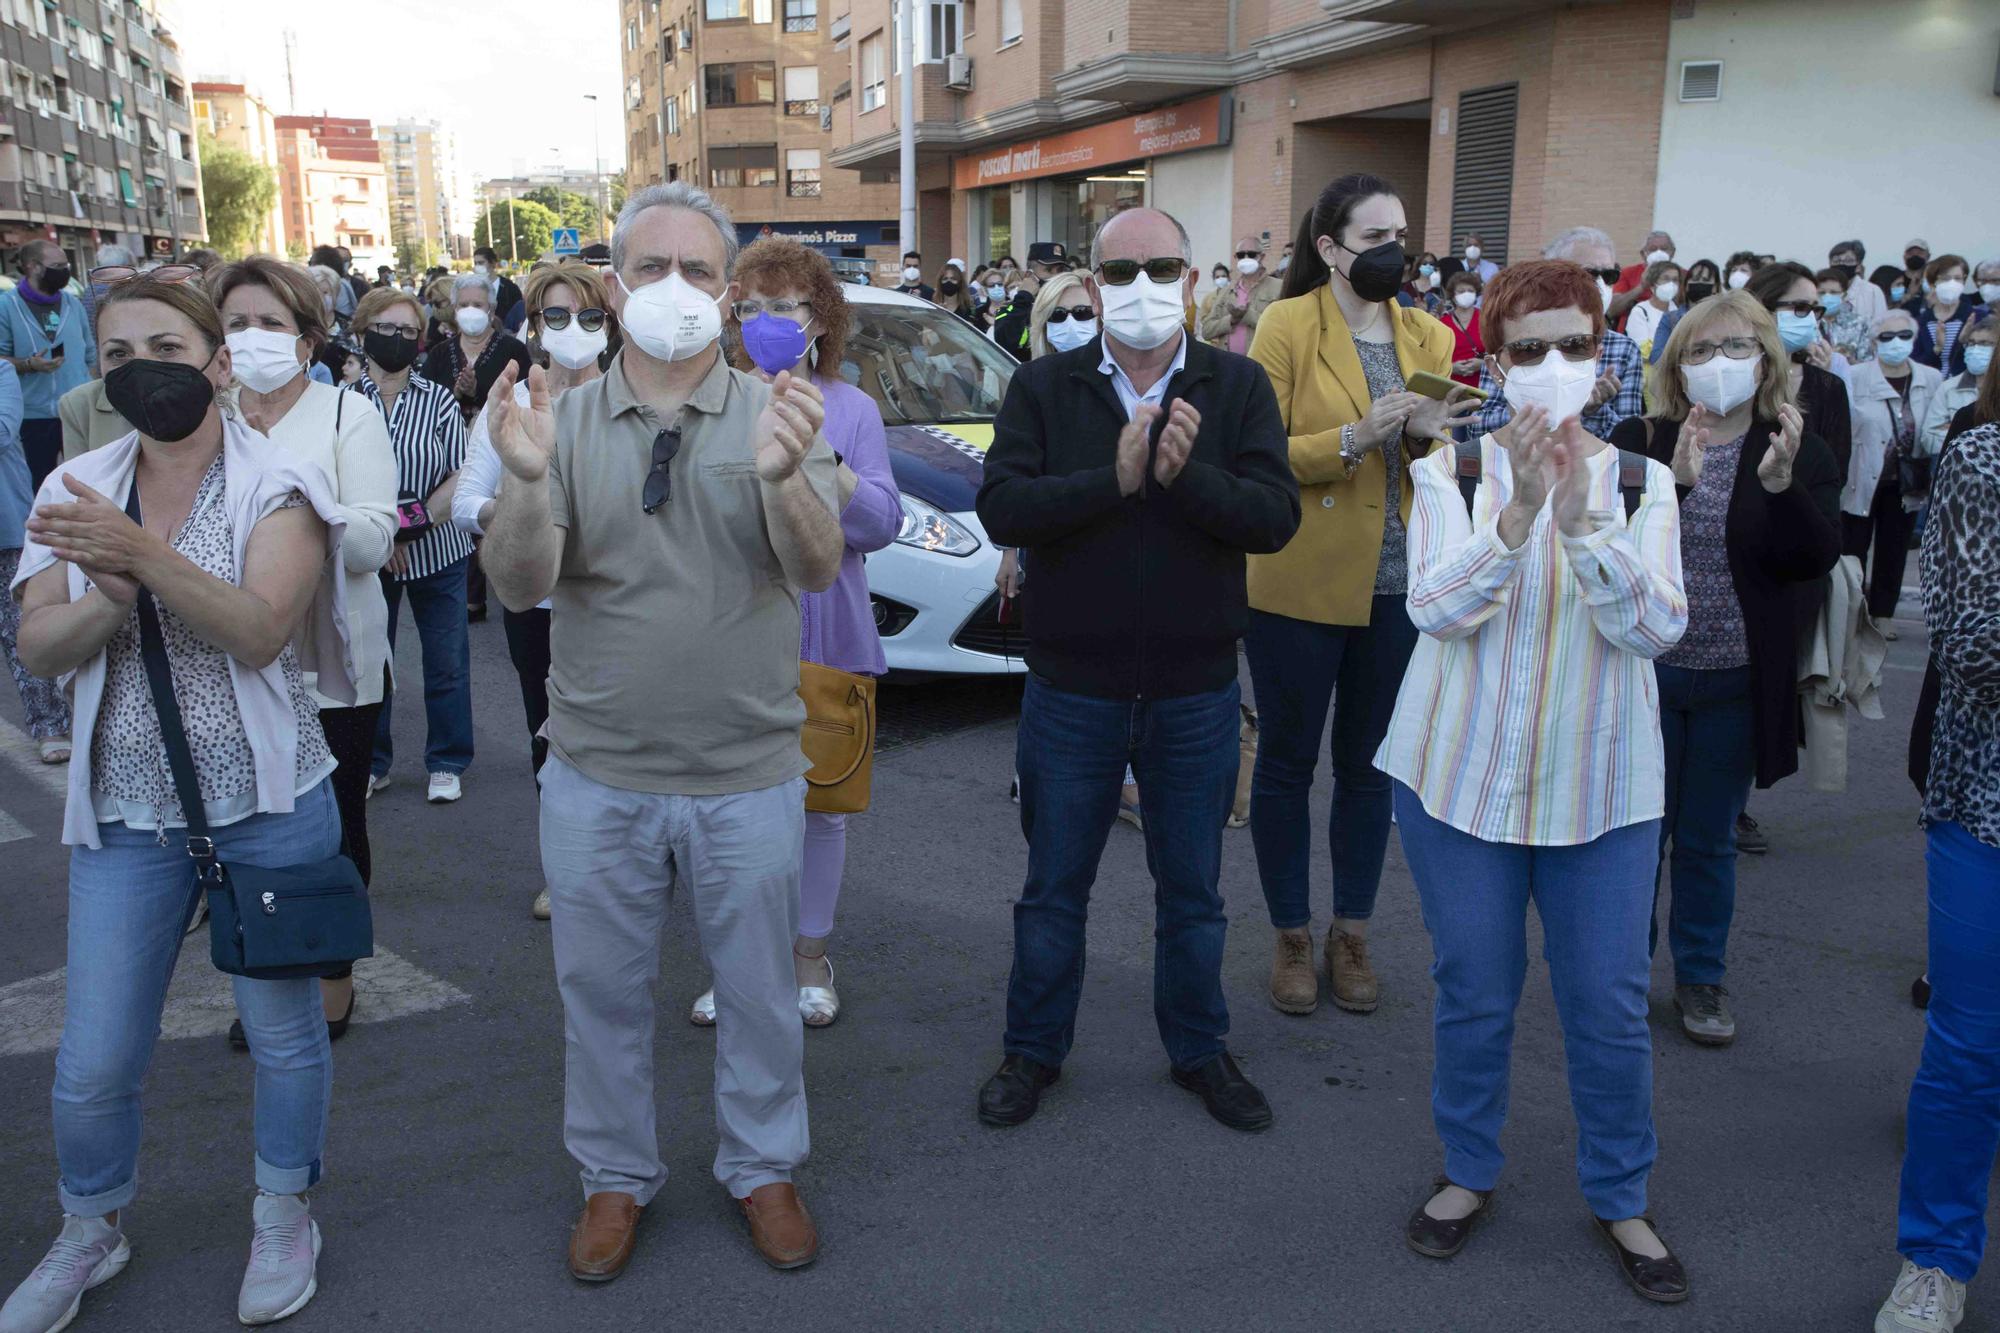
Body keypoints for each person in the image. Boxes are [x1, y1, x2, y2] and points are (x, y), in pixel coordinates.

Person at [480, 181, 842, 1277]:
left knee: (758, 995)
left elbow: (817, 567)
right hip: (596, 773)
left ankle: (763, 1164)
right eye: (650, 268)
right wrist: (527, 481)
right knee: (599, 998)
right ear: (610, 285)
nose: (672, 288)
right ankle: (612, 1177)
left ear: (727, 293)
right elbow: (516, 582)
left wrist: (783, 482)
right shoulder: (564, 419)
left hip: (747, 770)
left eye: (696, 270)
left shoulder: (779, 407)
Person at [2, 274, 354, 1330]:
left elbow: (259, 631)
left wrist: (140, 559)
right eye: (115, 354)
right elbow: (35, 646)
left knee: (285, 1035)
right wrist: (108, 598)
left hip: (270, 799)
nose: (139, 368)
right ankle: (89, 1225)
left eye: (163, 343)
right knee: (94, 1056)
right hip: (125, 812)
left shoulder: (280, 483)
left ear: (212, 360)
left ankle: (286, 1206)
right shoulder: (74, 486)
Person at [1376, 257, 1690, 1301]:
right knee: (1473, 990)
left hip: (1600, 787)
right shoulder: (1448, 474)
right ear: (1493, 362)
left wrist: (1581, 522)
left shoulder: (1640, 483)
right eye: (1525, 348)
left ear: (1603, 358)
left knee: (1603, 1002)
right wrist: (1514, 518)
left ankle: (1620, 1193)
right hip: (1456, 780)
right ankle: (1467, 1170)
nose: (1549, 365)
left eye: (1570, 344)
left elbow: (1652, 627)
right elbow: (1431, 609)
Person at [972, 205, 1300, 1134]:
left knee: (1192, 891)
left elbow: (1274, 516)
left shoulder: (1234, 386)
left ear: (1192, 281)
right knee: (1052, 887)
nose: (1142, 287)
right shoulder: (1045, 386)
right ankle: (1032, 1049)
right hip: (1072, 685)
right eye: (1121, 272)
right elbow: (1003, 507)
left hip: (1194, 688)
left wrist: (1183, 473)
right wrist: (1112, 481)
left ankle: (1199, 1047)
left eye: (1161, 267)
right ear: (1092, 282)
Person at [1245, 173, 1479, 1019]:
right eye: (1375, 236)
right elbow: (1260, 448)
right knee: (1286, 763)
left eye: (1401, 233)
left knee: (1368, 769)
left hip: (1399, 585)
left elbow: (1439, 462)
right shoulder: (1286, 324)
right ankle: (1291, 935)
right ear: (1330, 248)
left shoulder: (1430, 332)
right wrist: (1356, 435)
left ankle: (1352, 929)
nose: (1395, 251)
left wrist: (1428, 437)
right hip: (1298, 580)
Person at [1609, 291, 1841, 1047]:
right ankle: (1621, 973)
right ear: (1676, 364)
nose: (1719, 364)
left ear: (1768, 358)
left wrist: (1781, 487)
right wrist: (1669, 485)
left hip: (1737, 677)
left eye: (1737, 347)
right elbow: (1607, 556)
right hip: (1646, 674)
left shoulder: (1795, 444)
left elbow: (1815, 558)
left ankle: (1700, 978)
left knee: (1706, 840)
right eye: (1702, 350)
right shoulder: (1642, 438)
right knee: (1636, 837)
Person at [681, 235, 901, 1028]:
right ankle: (737, 962)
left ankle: (811, 957)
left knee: (821, 810)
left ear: (820, 318)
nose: (769, 320)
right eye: (755, 306)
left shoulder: (853, 408)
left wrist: (825, 458)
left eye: (788, 305)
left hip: (828, 640)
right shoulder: (711, 400)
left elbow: (881, 524)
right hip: (730, 641)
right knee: (729, 813)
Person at [210, 256, 397, 1044]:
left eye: (271, 324)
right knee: (244, 827)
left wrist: (307, 511)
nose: (251, 339)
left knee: (331, 824)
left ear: (309, 339)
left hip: (331, 664)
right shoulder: (201, 416)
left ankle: (330, 969)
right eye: (235, 323)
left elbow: (375, 539)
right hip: (227, 658)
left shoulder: (344, 414)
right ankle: (262, 968)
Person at [1873, 386, 2000, 1333]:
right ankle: (1934, 1259)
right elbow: (1973, 650)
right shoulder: (1982, 460)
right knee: (1970, 1045)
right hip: (1988, 804)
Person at [452, 260, 617, 922]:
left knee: (632, 732)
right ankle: (565, 868)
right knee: (550, 739)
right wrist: (523, 515)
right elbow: (466, 501)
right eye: (555, 314)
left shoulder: (639, 403)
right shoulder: (511, 407)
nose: (572, 329)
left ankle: (636, 858)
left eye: (587, 315)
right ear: (533, 325)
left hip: (621, 603)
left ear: (608, 324)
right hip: (541, 608)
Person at [349, 286, 474, 805]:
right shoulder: (342, 403)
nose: (396, 339)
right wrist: (381, 535)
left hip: (437, 552)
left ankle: (446, 760)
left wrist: (409, 526)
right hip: (366, 558)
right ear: (362, 333)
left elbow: (460, 471)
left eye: (406, 331)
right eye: (385, 329)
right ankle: (372, 762)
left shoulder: (440, 399)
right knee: (371, 663)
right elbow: (334, 476)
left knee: (445, 660)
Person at [1474, 227, 1644, 442]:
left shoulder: (1625, 350)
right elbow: (1480, 425)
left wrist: (1592, 410)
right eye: (1587, 274)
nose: (1599, 285)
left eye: (1610, 275)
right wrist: (1536, 405)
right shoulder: (1511, 335)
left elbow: (1629, 438)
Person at [1845, 310, 1944, 628]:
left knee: (1895, 548)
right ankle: (1852, 612)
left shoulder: (1930, 378)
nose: (1896, 343)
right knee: (1853, 548)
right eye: (1887, 337)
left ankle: (1883, 614)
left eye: (1904, 336)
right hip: (1861, 475)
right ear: (1874, 342)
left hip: (1905, 480)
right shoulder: (1856, 375)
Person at [0, 357, 72, 762]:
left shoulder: (1, 373)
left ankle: (50, 726)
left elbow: (4, 430)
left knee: (21, 630)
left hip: (5, 526)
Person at [1745, 262, 1855, 481]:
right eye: (1801, 308)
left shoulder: (1829, 387)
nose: (1812, 319)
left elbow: (1835, 472)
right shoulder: (1736, 378)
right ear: (1762, 307)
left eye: (1815, 309)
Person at [2, 241, 96, 490]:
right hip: (33, 416)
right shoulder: (7, 307)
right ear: (33, 267)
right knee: (40, 484)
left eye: (65, 265)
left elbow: (91, 353)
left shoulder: (72, 304)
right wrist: (27, 364)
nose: (64, 270)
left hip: (77, 410)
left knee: (86, 481)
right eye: (57, 266)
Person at [423, 273, 533, 428]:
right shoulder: (439, 353)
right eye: (463, 305)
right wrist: (454, 394)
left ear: (492, 310)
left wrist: (477, 391)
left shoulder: (514, 351)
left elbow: (525, 400)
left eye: (477, 305)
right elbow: (425, 401)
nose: (470, 310)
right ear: (455, 309)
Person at [1920, 315, 1995, 459]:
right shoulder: (1949, 388)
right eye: (1971, 343)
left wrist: (1955, 429)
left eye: (1985, 343)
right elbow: (1929, 439)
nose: (1975, 349)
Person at [1198, 235, 1282, 356]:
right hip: (1229, 367)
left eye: (1252, 254)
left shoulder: (1278, 288)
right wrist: (1231, 320)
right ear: (1235, 257)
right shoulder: (1226, 292)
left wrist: (1247, 316)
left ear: (1262, 257)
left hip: (1262, 366)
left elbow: (1281, 330)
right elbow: (1206, 331)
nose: (1246, 258)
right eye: (1241, 255)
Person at [1908, 254, 1982, 376]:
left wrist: (1964, 342)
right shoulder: (1920, 323)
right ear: (1932, 283)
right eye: (1945, 279)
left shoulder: (1978, 318)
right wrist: (1937, 348)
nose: (1952, 283)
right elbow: (1914, 365)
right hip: (1931, 389)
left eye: (1958, 278)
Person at [1608, 229, 1675, 328]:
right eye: (1653, 249)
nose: (1659, 252)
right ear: (1643, 254)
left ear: (1672, 252)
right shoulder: (1628, 273)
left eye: (1664, 249)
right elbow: (1612, 310)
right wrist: (1642, 287)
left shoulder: (1682, 275)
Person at [1623, 260, 1682, 361]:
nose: (1671, 284)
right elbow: (1641, 350)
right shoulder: (1640, 312)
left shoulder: (1678, 312)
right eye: (1666, 279)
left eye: (1675, 280)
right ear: (1653, 284)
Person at [1818, 266, 1873, 365]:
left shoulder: (1858, 323)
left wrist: (1848, 360)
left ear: (1844, 296)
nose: (1827, 296)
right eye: (1822, 293)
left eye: (1833, 292)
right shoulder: (1809, 323)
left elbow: (1867, 363)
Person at [1829, 239, 1888, 329]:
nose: (1842, 264)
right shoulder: (1824, 291)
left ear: (1858, 266)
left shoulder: (1872, 291)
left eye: (1848, 261)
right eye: (1836, 261)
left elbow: (1882, 325)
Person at [1440, 271, 1485, 387]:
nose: (1466, 294)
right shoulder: (1442, 323)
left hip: (1482, 386)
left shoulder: (1486, 320)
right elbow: (1433, 359)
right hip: (1451, 387)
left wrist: (1482, 364)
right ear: (1453, 296)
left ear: (1476, 294)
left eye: (1470, 291)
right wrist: (1451, 368)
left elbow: (1500, 353)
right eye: (1461, 291)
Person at [989, 268, 1041, 363]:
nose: (1016, 290)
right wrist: (1022, 299)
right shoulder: (1003, 311)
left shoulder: (1039, 308)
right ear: (1006, 291)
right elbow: (1005, 339)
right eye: (1012, 287)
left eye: (1019, 286)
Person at [472, 246, 527, 332]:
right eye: (475, 263)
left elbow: (519, 313)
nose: (477, 266)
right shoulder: (472, 288)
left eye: (481, 263)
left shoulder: (509, 288)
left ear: (492, 263)